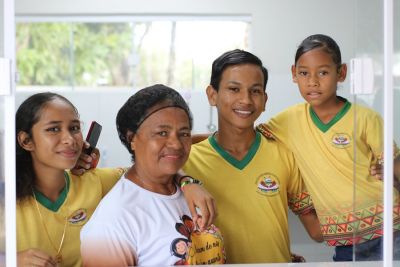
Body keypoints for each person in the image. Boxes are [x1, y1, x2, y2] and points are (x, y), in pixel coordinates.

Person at [16, 92, 216, 267]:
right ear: (26, 141)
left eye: (75, 128)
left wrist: (188, 182)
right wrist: (8, 261)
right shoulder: (7, 202)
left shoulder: (94, 181)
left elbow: (152, 169)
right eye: (53, 129)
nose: (69, 138)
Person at [257, 34, 400, 261]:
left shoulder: (365, 118)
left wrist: (391, 177)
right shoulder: (288, 121)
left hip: (391, 232)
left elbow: (396, 168)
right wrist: (195, 142)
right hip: (345, 242)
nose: (313, 81)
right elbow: (245, 137)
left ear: (341, 73)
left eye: (323, 72)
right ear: (294, 74)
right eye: (304, 73)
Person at [182, 49, 322, 264]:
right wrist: (185, 181)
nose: (245, 100)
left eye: (255, 91)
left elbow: (316, 230)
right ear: (212, 95)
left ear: (265, 100)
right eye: (234, 89)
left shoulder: (283, 153)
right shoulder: (186, 163)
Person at [80, 85, 226, 267]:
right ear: (132, 138)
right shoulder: (112, 222)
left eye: (184, 133)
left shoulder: (186, 190)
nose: (176, 144)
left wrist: (187, 181)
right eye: (162, 133)